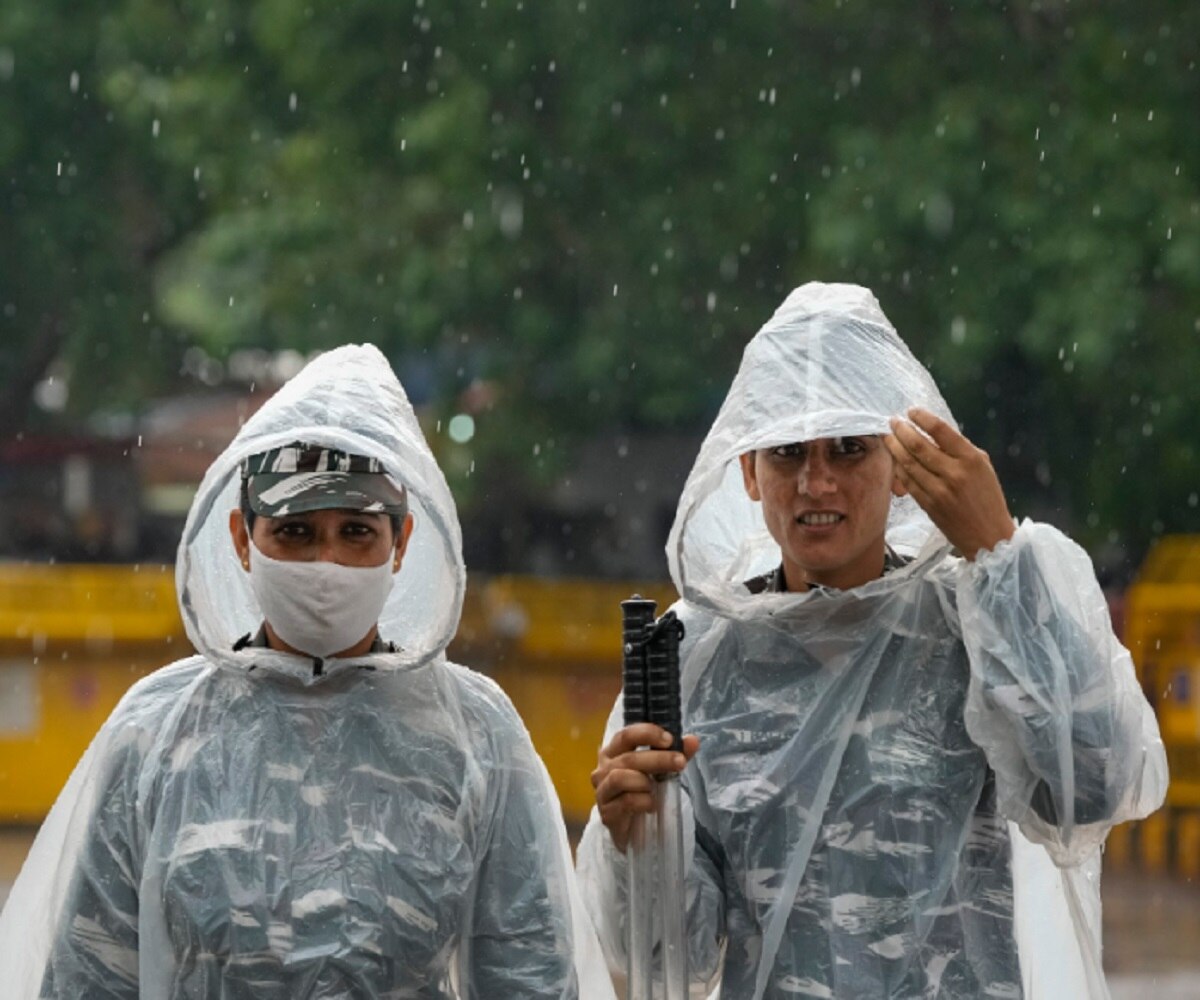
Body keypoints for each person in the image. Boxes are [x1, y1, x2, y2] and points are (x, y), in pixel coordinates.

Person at [577, 282, 1168, 999]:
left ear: (900, 469)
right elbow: (677, 957)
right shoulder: (695, 663)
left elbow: (1092, 788)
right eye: (788, 453)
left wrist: (1001, 555)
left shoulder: (972, 623)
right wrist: (636, 840)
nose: (816, 482)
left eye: (849, 451)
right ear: (748, 473)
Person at [0, 344, 614, 999]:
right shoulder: (156, 735)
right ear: (242, 537)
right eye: (295, 533)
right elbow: (88, 976)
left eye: (356, 532)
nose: (326, 564)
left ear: (401, 543)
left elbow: (530, 978)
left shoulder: (476, 737)